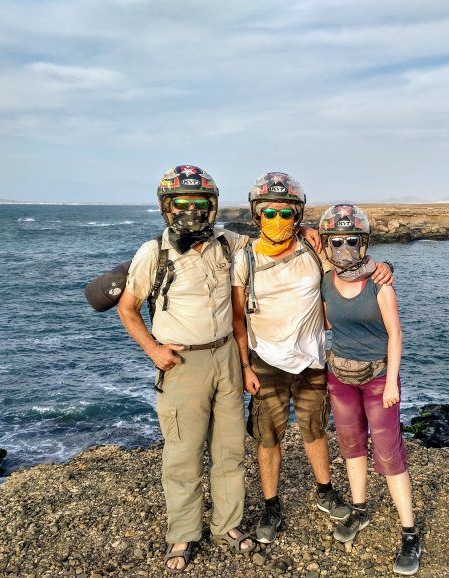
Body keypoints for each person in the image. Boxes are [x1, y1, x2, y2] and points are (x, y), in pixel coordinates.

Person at [117, 166, 284, 572]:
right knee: (183, 454)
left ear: (212, 207)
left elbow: (271, 246)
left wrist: (311, 234)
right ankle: (183, 534)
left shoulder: (228, 244)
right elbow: (127, 307)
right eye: (182, 204)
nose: (192, 211)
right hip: (182, 363)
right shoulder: (152, 253)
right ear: (166, 208)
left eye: (200, 204)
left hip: (226, 355)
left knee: (229, 450)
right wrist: (153, 350)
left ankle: (227, 523)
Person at [230, 172, 393, 544]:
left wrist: (383, 267)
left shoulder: (312, 250)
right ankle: (271, 505)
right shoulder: (246, 260)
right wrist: (243, 367)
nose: (277, 221)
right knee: (268, 438)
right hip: (266, 361)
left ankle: (325, 491)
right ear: (257, 215)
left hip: (312, 360)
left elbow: (349, 265)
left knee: (315, 429)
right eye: (269, 213)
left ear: (298, 216)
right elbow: (238, 319)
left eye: (286, 214)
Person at [318, 204, 421, 575]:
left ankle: (410, 531)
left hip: (378, 379)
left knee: (390, 453)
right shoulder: (326, 281)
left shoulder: (380, 283)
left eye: (352, 240)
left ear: (363, 243)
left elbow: (395, 333)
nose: (344, 248)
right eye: (337, 241)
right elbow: (330, 322)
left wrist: (392, 381)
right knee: (351, 447)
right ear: (327, 244)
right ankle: (359, 510)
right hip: (340, 376)